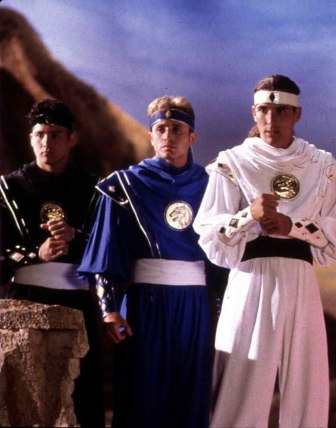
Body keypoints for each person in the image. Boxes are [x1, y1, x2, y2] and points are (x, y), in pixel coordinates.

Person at [194, 74, 336, 427]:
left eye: (281, 111)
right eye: (264, 111)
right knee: (241, 379)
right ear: (254, 112)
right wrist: (248, 215)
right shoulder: (232, 162)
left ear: (297, 114)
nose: (272, 119)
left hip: (300, 280)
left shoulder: (321, 165)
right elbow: (209, 233)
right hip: (249, 278)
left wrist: (292, 227)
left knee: (306, 381)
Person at [79, 96, 222, 428]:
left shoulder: (212, 185)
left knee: (190, 396)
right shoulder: (123, 185)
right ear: (151, 135)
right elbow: (105, 251)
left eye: (177, 129)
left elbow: (223, 260)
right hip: (145, 303)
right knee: (143, 396)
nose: (168, 136)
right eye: (161, 129)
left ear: (192, 136)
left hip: (196, 305)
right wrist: (109, 309)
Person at [0, 99, 104, 427]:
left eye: (56, 134)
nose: (47, 142)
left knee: (78, 398)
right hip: (22, 302)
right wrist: (36, 253)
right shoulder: (7, 188)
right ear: (30, 138)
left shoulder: (95, 189)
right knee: (25, 400)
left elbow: (113, 250)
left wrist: (77, 236)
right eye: (40, 134)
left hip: (77, 302)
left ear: (72, 139)